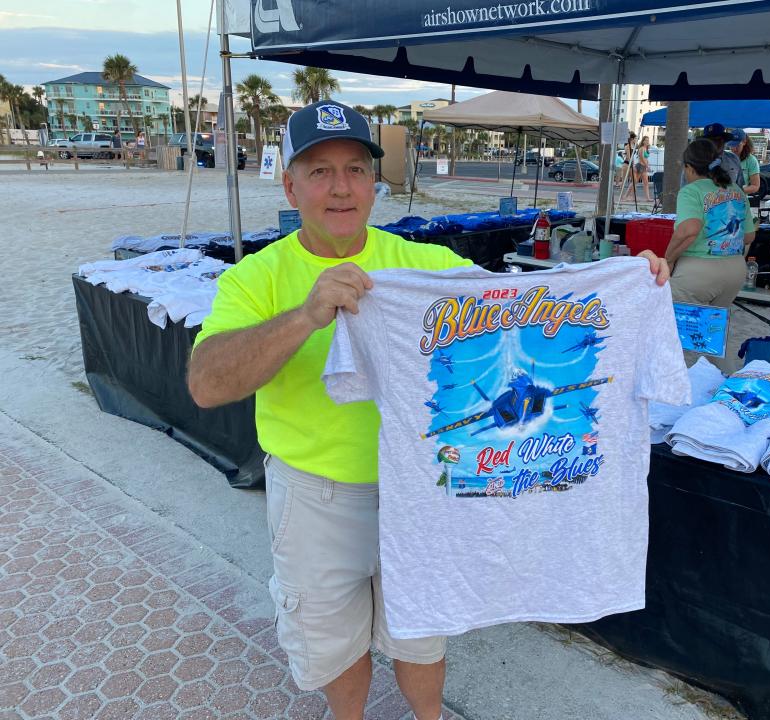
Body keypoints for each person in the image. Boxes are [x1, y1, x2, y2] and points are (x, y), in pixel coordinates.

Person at [188, 99, 672, 720]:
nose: (341, 188)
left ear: (374, 181)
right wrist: (307, 316)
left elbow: (521, 305)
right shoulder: (255, 279)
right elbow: (205, 384)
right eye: (319, 171)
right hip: (318, 496)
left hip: (421, 492)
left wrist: (624, 280)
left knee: (421, 631)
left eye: (356, 169)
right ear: (290, 184)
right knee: (333, 639)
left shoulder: (420, 267)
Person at [665, 138, 755, 369]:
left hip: (699, 272)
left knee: (673, 337)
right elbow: (748, 237)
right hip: (734, 271)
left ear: (689, 167)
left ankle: (674, 393)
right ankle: (723, 384)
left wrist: (668, 259)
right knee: (713, 338)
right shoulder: (736, 190)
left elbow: (689, 230)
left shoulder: (690, 191)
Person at [682, 123, 744, 189]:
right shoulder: (694, 162)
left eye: (718, 140)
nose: (714, 143)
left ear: (724, 141)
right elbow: (685, 189)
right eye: (710, 140)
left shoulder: (733, 159)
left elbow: (739, 187)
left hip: (730, 198)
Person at [727, 129, 761, 196]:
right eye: (732, 145)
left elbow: (755, 186)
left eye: (737, 145)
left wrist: (737, 191)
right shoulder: (724, 156)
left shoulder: (751, 160)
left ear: (744, 142)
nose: (734, 149)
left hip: (740, 201)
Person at [637, 135, 652, 201]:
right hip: (640, 166)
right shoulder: (642, 148)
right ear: (643, 141)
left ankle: (647, 198)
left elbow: (645, 158)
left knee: (646, 183)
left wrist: (647, 164)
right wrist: (647, 166)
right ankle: (626, 196)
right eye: (646, 140)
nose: (647, 141)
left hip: (643, 167)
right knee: (635, 182)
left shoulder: (646, 148)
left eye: (648, 140)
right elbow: (642, 158)